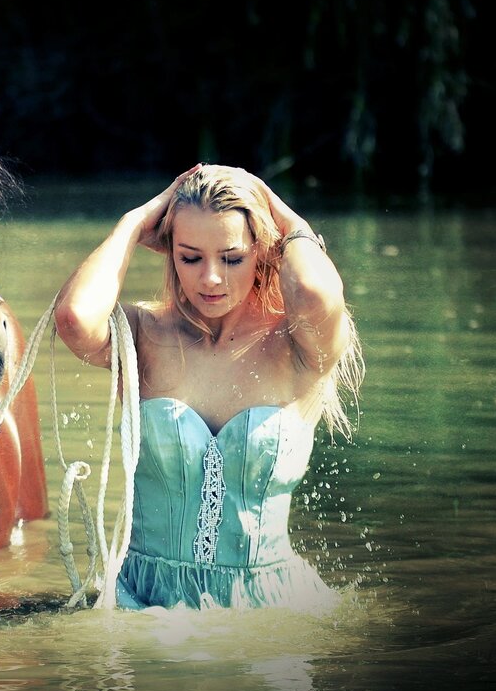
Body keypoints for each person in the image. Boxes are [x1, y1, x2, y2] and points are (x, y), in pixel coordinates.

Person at [53, 164, 364, 612]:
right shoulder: (143, 335)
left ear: (261, 250)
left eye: (232, 258)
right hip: (140, 600)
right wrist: (134, 222)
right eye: (190, 257)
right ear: (168, 252)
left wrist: (290, 224)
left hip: (271, 609)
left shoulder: (299, 343)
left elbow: (315, 292)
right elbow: (74, 319)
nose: (210, 278)